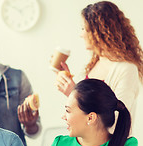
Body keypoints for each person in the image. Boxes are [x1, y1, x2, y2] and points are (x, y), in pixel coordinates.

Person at [55, 1, 143, 129]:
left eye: (83, 28)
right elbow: (87, 112)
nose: (81, 34)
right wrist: (73, 91)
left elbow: (117, 120)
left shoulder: (126, 69)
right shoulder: (94, 64)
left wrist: (74, 93)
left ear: (99, 31)